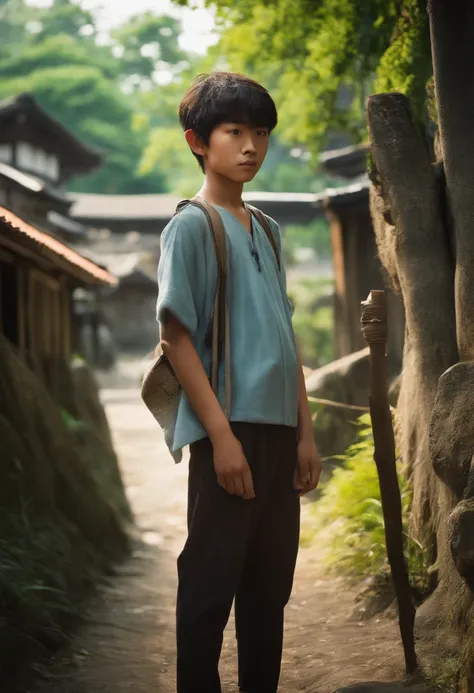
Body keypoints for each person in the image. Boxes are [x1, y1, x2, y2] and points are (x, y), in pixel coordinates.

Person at [156, 71, 322, 693]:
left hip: (280, 436)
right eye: (235, 132)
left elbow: (286, 338)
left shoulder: (269, 231)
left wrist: (305, 435)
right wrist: (220, 438)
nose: (251, 145)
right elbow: (177, 338)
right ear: (199, 140)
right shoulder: (192, 227)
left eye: (261, 133)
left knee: (268, 588)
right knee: (209, 585)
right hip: (230, 431)